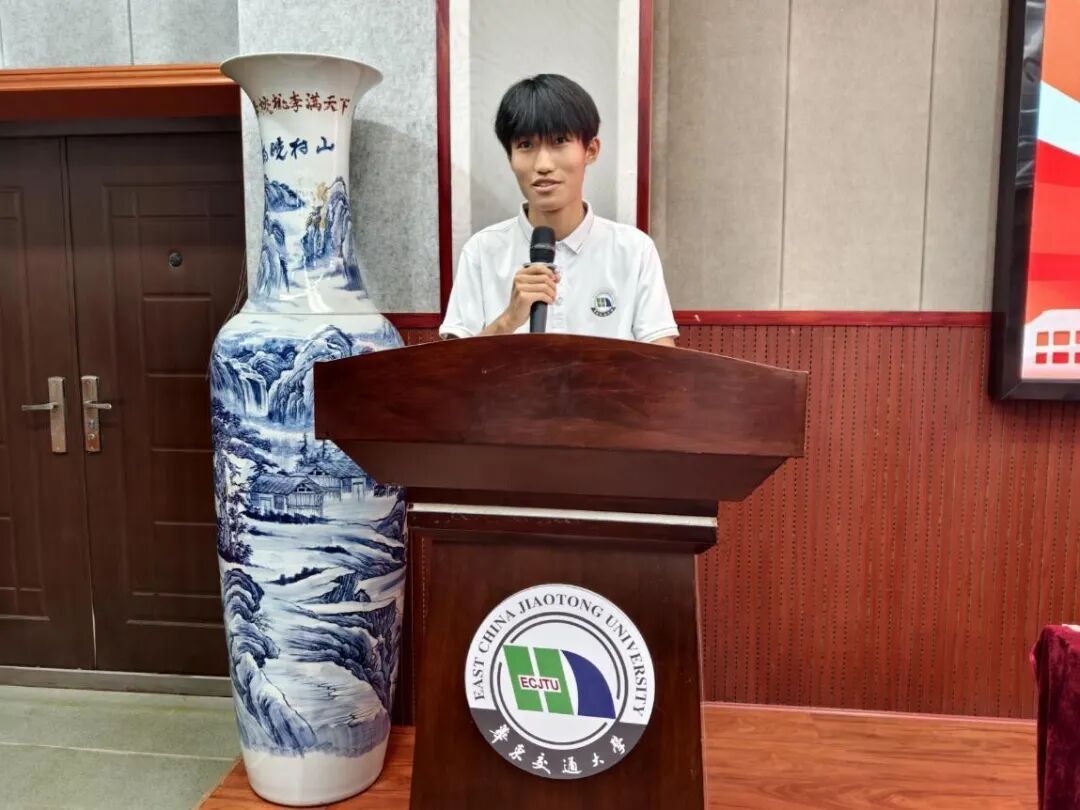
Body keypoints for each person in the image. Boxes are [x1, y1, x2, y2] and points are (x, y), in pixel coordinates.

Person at [439, 74, 679, 346]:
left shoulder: (633, 250)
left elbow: (663, 360)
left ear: (591, 150)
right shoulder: (482, 251)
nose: (543, 164)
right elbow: (454, 367)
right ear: (510, 158)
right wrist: (508, 320)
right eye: (525, 145)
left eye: (559, 140)